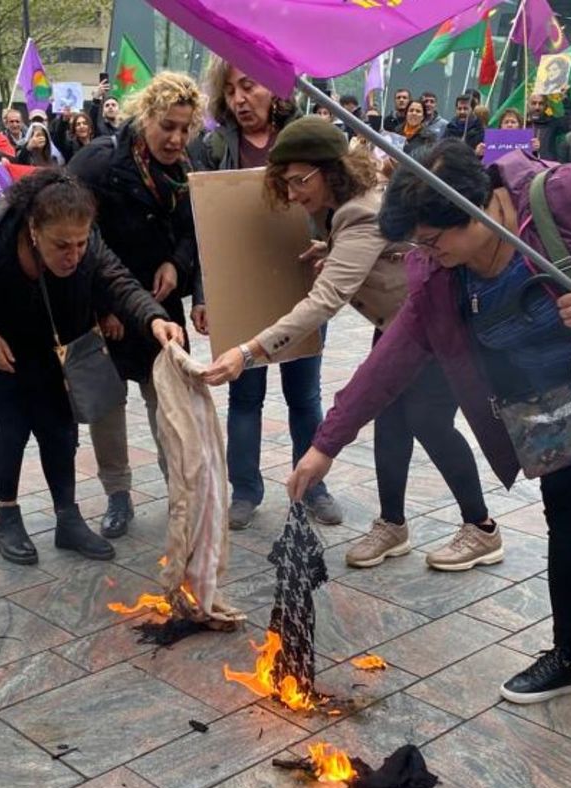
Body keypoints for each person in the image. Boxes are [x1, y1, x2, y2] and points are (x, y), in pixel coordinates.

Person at [288, 139, 571, 755]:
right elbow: (393, 357)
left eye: (433, 240)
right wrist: (325, 445)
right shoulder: (444, 273)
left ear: (476, 212)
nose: (427, 253)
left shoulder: (563, 196)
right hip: (563, 415)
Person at [203, 119, 500, 569]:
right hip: (398, 325)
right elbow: (373, 250)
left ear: (331, 171)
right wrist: (332, 249)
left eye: (301, 180)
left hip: (435, 328)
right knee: (390, 419)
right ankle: (392, 525)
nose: (293, 193)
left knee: (427, 419)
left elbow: (325, 301)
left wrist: (248, 352)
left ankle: (481, 528)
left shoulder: (359, 211)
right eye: (285, 182)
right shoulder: (343, 213)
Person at [0, 170, 185, 563]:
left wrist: (154, 319)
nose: (74, 255)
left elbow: (117, 281)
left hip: (49, 340)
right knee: (13, 422)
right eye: (62, 245)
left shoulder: (87, 242)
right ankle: (7, 518)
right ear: (34, 229)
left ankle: (68, 519)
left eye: (81, 243)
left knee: (59, 427)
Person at [190, 57, 343, 530]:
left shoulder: (304, 137)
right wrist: (204, 295)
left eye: (249, 86)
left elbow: (337, 206)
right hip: (239, 292)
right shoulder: (214, 147)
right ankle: (246, 491)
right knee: (244, 398)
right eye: (231, 90)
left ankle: (311, 486)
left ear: (274, 90)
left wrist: (332, 252)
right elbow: (203, 230)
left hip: (299, 284)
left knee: (305, 396)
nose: (240, 98)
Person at [66, 72, 202, 539]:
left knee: (170, 405)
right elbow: (76, 240)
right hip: (103, 308)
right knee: (106, 407)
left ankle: (180, 491)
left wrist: (175, 263)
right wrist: (102, 308)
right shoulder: (98, 163)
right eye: (168, 125)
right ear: (145, 116)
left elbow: (193, 231)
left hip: (161, 308)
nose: (176, 138)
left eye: (185, 128)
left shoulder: (186, 168)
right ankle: (117, 495)